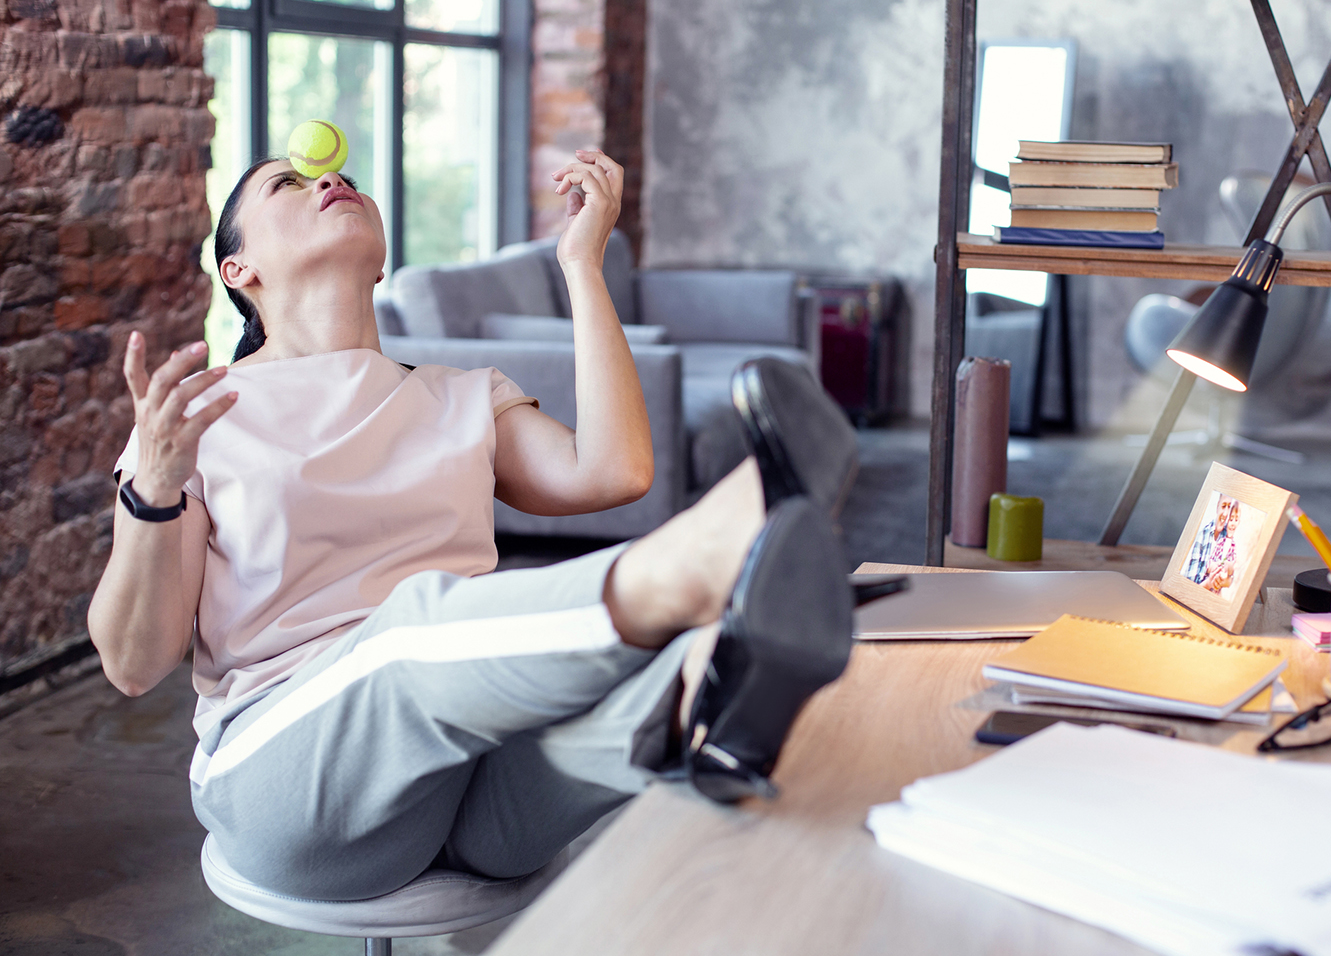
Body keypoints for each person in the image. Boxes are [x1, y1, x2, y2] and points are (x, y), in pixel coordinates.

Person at [86, 149, 860, 902]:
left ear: (380, 265)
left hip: (471, 790)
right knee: (404, 630)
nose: (329, 178)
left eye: (339, 176)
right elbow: (133, 663)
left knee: (649, 694)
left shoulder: (463, 396)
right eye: (287, 183)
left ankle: (715, 688)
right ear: (238, 270)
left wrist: (582, 265)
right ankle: (717, 545)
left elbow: (613, 472)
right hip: (285, 785)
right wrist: (154, 485)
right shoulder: (194, 421)